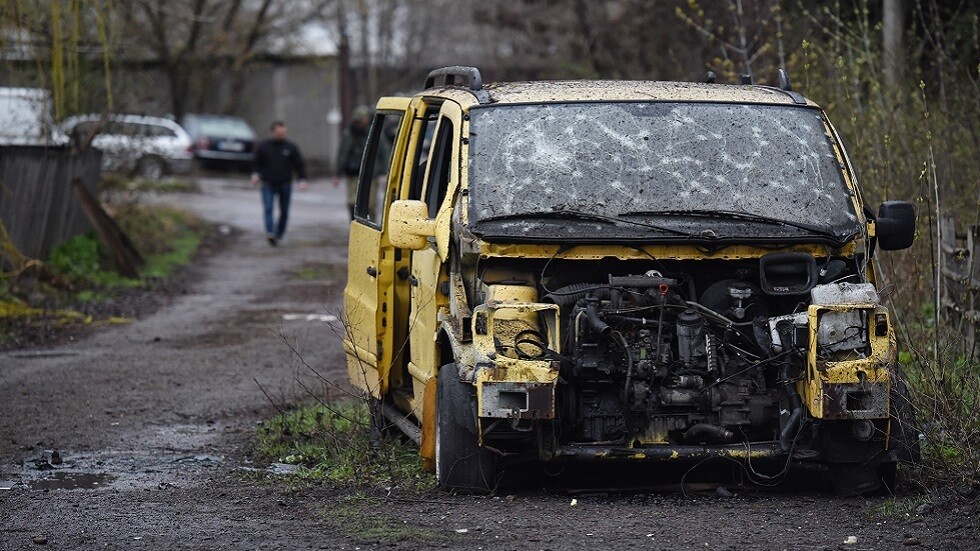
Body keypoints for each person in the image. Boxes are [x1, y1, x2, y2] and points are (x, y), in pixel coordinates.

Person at [251, 121, 308, 246]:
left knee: (284, 211)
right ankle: (270, 232)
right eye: (279, 133)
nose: (282, 136)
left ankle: (279, 233)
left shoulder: (291, 147)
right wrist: (255, 174)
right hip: (268, 183)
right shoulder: (264, 146)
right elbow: (256, 163)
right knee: (268, 208)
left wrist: (302, 180)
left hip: (285, 184)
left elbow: (299, 165)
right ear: (272, 132)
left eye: (284, 133)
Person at [333, 106, 372, 219]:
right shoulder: (348, 133)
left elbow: (382, 151)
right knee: (352, 201)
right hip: (353, 172)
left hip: (370, 173)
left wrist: (384, 172)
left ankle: (369, 224)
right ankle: (354, 221)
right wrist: (337, 173)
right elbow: (342, 153)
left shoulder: (372, 131)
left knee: (370, 203)